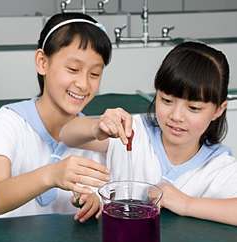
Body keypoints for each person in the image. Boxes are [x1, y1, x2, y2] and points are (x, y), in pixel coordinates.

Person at [60, 41, 237, 225]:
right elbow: (66, 134)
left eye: (193, 108)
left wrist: (186, 204)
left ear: (218, 110)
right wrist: (97, 127)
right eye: (166, 100)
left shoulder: (219, 167)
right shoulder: (132, 132)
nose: (176, 116)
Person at [0, 12, 112, 222]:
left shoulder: (94, 137)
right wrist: (52, 175)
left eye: (94, 74)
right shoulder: (6, 124)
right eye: (73, 69)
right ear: (42, 62)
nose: (83, 84)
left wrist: (93, 202)